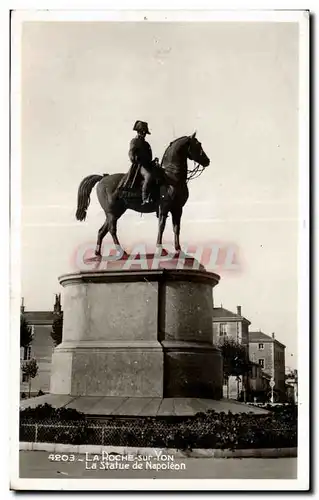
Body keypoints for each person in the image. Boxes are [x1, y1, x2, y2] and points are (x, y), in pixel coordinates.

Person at [128, 120, 155, 205]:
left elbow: (150, 157)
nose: (143, 134)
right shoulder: (134, 141)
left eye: (144, 132)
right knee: (148, 176)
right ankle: (145, 197)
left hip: (147, 165)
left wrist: (153, 161)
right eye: (142, 132)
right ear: (138, 132)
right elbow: (131, 153)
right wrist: (134, 158)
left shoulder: (146, 144)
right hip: (139, 166)